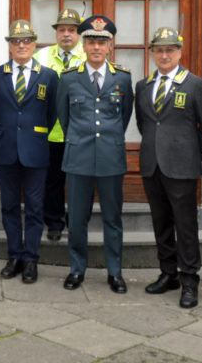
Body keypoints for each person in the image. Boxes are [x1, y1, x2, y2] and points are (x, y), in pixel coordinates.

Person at [135, 27, 202, 308]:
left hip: (182, 167)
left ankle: (190, 280)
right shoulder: (143, 86)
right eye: (159, 50)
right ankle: (168, 273)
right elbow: (144, 124)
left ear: (180, 52)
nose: (164, 55)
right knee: (161, 223)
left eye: (170, 49)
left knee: (186, 225)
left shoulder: (194, 84)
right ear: (153, 54)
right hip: (152, 166)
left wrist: (191, 153)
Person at [57, 15, 133, 293]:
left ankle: (115, 273)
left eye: (102, 42)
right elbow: (64, 119)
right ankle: (77, 269)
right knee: (77, 219)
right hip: (78, 158)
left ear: (110, 45)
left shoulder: (122, 79)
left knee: (113, 219)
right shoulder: (69, 79)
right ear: (83, 45)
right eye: (91, 41)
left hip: (111, 159)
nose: (96, 47)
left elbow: (123, 118)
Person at [0, 20, 58, 284]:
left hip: (36, 150)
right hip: (6, 148)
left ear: (34, 44)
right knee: (8, 206)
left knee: (34, 208)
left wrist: (33, 133)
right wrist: (10, 131)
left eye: (27, 41)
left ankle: (31, 259)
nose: (22, 45)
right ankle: (14, 255)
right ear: (9, 45)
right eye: (16, 41)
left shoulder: (48, 76)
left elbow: (52, 114)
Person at [33, 8, 86, 241]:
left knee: (78, 182)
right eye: (62, 30)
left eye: (72, 30)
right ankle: (54, 222)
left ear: (79, 34)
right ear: (56, 33)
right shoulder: (41, 56)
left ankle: (76, 222)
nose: (66, 34)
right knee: (52, 181)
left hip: (80, 132)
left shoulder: (89, 55)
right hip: (51, 131)